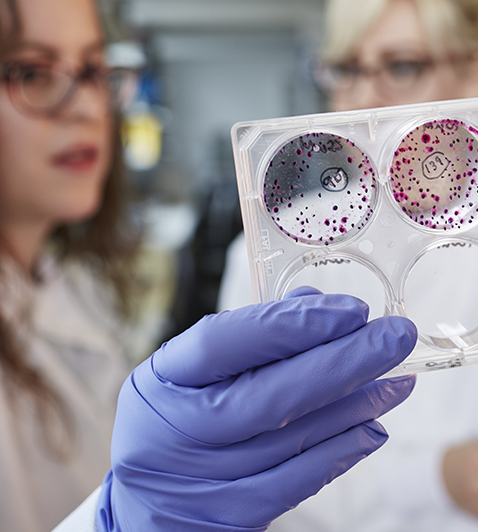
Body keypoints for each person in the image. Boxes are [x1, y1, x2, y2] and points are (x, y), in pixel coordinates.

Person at [218, 1, 478, 530]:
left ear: (475, 72)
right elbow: (252, 470)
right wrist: (429, 478)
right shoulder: (283, 257)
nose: (364, 97)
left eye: (402, 67)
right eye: (346, 69)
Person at [0, 0, 418, 530]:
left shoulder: (76, 290)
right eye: (34, 72)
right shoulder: (277, 242)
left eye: (94, 71)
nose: (84, 105)